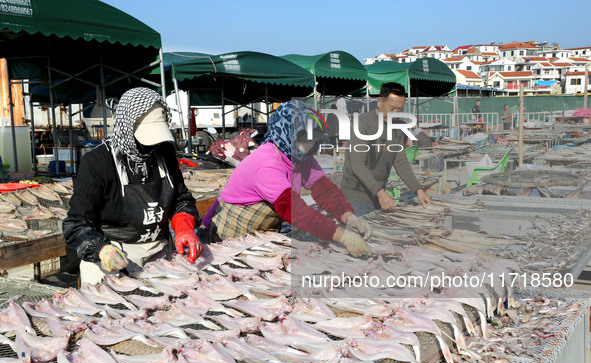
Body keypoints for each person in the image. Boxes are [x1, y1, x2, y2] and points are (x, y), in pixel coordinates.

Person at [63, 87, 202, 285]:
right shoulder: (97, 162)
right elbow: (77, 223)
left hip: (159, 254)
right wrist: (102, 249)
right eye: (146, 138)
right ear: (127, 127)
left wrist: (184, 228)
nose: (151, 146)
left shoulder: (164, 152)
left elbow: (181, 198)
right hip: (113, 258)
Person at [205, 100, 372, 257]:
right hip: (232, 233)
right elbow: (294, 210)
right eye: (303, 136)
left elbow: (325, 190)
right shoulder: (267, 163)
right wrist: (341, 235)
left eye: (313, 137)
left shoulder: (301, 158)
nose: (310, 142)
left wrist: (348, 216)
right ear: (286, 133)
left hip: (262, 233)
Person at [340, 82, 431, 216]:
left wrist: (418, 189)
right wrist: (380, 192)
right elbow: (358, 165)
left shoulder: (398, 128)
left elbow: (401, 162)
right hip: (355, 196)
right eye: (392, 108)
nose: (396, 113)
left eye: (400, 109)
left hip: (377, 194)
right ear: (379, 102)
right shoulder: (363, 124)